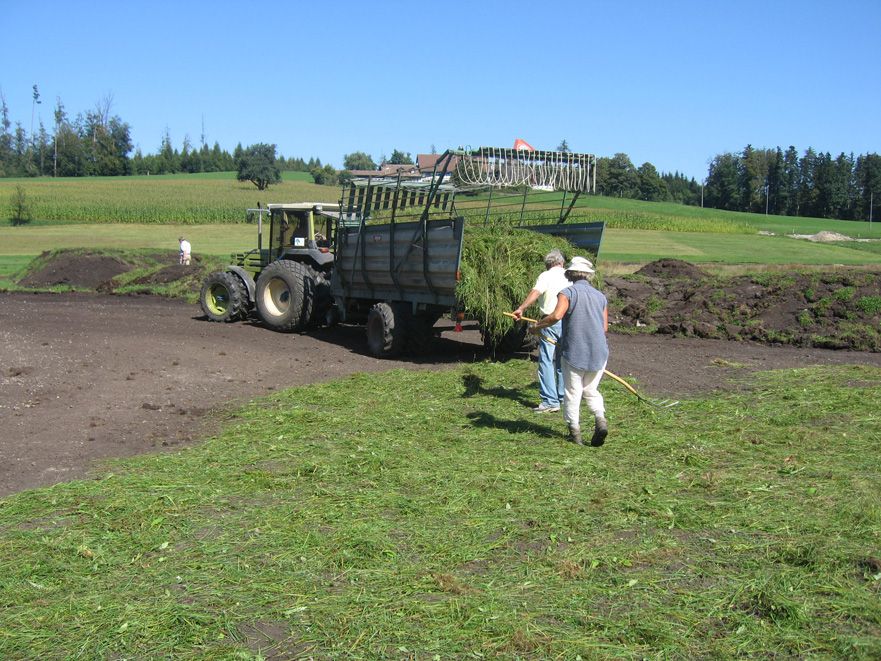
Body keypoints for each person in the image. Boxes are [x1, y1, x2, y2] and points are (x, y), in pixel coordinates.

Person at [529, 256, 609, 447]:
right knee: (591, 390)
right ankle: (600, 419)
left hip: (575, 352)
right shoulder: (601, 296)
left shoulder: (567, 293)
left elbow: (556, 316)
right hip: (600, 352)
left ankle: (575, 433)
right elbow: (604, 328)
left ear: (569, 274)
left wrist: (537, 326)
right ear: (588, 276)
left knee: (572, 392)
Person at [512, 249, 571, 413]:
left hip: (550, 321)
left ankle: (550, 402)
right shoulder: (570, 275)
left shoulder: (546, 276)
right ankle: (562, 397)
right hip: (568, 321)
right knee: (562, 360)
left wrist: (521, 308)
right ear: (562, 262)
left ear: (548, 264)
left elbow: (536, 292)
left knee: (545, 359)